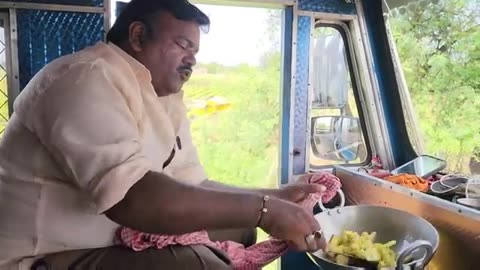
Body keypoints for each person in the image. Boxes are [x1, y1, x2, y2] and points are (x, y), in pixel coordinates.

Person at [0, 0, 326, 269]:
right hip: (46, 255)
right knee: (202, 265)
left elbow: (193, 184)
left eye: (195, 51)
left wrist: (277, 196)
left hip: (111, 235)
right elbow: (132, 198)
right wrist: (264, 210)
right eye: (183, 44)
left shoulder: (162, 96)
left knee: (240, 228)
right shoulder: (84, 78)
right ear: (139, 36)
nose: (192, 59)